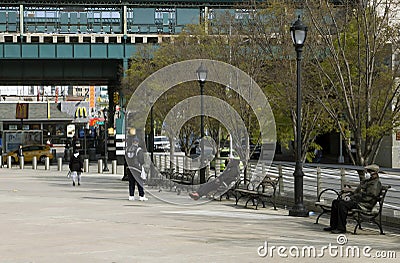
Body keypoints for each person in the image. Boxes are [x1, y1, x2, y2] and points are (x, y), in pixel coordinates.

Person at [323, 164, 382, 234]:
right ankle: (333, 226)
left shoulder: (375, 184)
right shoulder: (367, 181)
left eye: (369, 171)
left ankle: (341, 228)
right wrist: (350, 196)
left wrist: (353, 198)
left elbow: (368, 197)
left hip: (364, 205)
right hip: (357, 201)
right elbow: (357, 192)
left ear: (374, 173)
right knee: (336, 202)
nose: (367, 173)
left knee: (342, 204)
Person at [126, 136, 148, 201]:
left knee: (131, 182)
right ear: (137, 142)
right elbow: (141, 160)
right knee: (139, 182)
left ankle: (131, 196)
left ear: (132, 142)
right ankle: (141, 196)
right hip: (137, 168)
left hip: (129, 168)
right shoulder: (139, 149)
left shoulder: (127, 149)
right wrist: (141, 165)